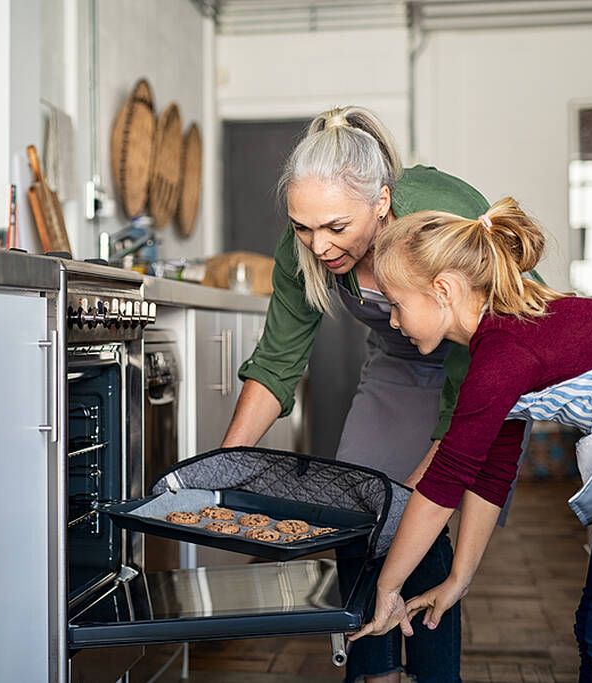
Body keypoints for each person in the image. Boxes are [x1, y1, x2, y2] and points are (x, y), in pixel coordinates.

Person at [222, 105, 496, 682]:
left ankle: (435, 674)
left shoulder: (434, 213)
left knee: (419, 512)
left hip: (482, 358)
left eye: (336, 228)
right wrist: (223, 467)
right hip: (399, 364)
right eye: (303, 226)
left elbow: (492, 337)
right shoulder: (304, 247)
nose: (318, 245)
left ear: (382, 202)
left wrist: (424, 486)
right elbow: (277, 361)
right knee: (358, 504)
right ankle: (373, 673)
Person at [351, 197, 592, 681]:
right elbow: (493, 471)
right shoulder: (498, 339)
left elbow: (443, 485)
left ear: (443, 289)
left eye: (397, 305)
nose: (393, 322)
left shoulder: (502, 353)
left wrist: (387, 588)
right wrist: (458, 579)